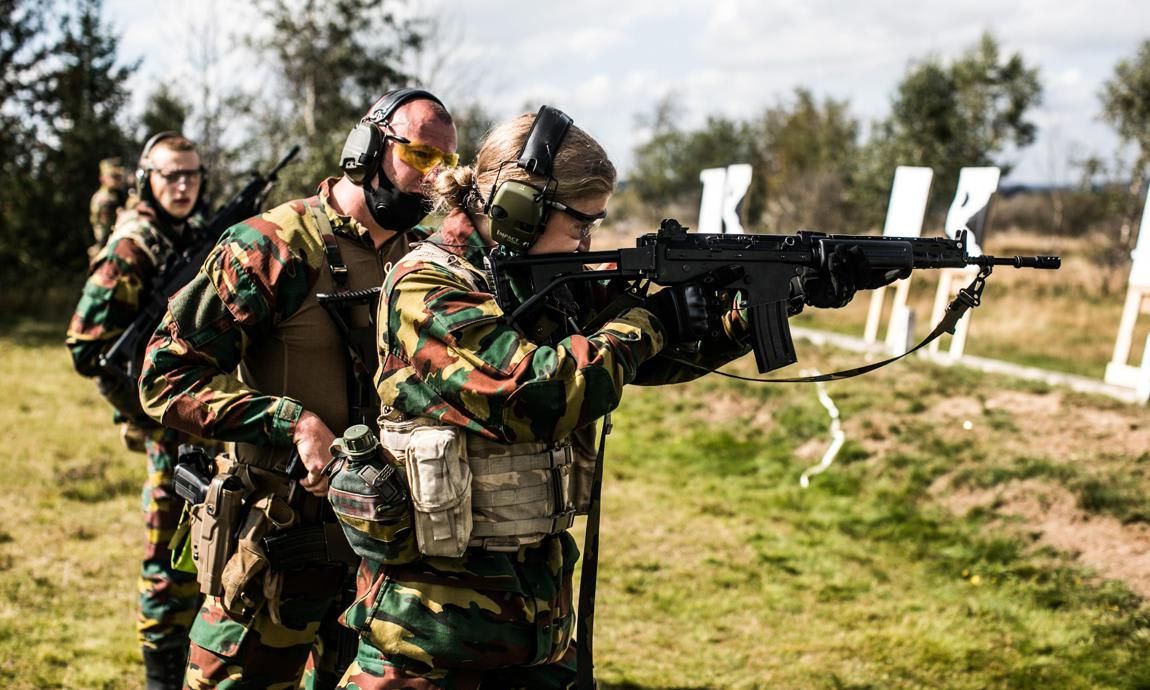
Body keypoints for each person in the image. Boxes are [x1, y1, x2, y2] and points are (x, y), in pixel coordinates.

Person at [138, 88, 458, 690]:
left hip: (380, 551)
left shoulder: (424, 261)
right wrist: (293, 423)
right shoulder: (272, 244)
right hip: (276, 542)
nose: (433, 179)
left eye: (445, 166)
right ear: (366, 149)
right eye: (419, 156)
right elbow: (163, 375)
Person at [66, 133, 209, 690]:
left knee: (203, 555)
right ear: (146, 177)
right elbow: (84, 345)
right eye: (171, 175)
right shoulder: (134, 245)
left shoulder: (188, 233)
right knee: (165, 566)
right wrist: (147, 411)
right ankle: (160, 678)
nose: (182, 186)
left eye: (192, 175)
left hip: (198, 423)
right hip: (170, 428)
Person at [88, 156, 129, 261]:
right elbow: (106, 231)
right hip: (108, 247)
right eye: (113, 176)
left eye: (119, 176)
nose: (118, 179)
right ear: (102, 178)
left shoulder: (116, 194)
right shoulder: (105, 200)